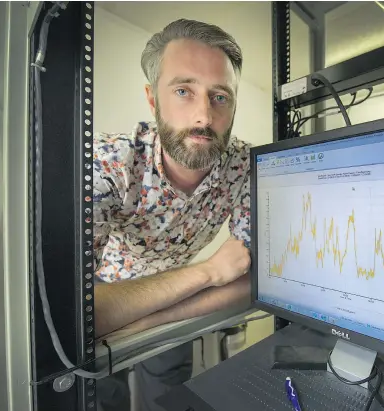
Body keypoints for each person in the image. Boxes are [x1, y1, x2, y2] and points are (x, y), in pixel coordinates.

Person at [93, 19, 252, 411]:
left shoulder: (247, 166)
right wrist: (208, 272)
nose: (204, 116)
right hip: (109, 286)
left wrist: (150, 321)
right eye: (184, 91)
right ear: (153, 100)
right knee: (98, 395)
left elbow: (256, 281)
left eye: (220, 97)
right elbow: (82, 313)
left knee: (167, 398)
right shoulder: (108, 163)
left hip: (176, 299)